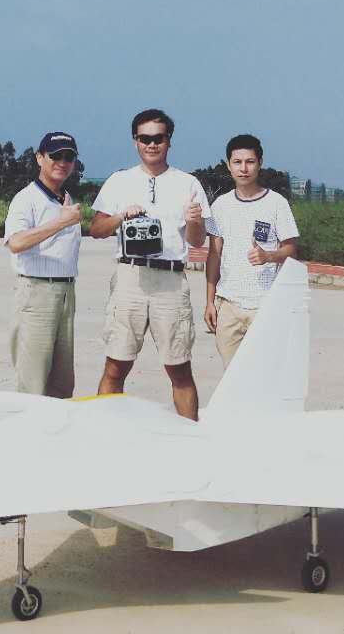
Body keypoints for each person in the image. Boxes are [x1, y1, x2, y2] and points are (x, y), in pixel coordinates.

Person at [90, 109, 209, 419]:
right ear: (135, 141)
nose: (152, 145)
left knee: (179, 367)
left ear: (169, 141)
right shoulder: (119, 181)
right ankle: (104, 428)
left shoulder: (188, 183)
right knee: (116, 364)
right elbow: (96, 229)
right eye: (145, 138)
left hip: (170, 280)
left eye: (159, 138)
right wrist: (121, 216)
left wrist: (195, 221)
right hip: (130, 276)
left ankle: (190, 437)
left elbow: (197, 241)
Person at [203, 133, 299, 368]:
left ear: (260, 163)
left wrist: (269, 256)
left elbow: (291, 250)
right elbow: (214, 255)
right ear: (228, 165)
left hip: (265, 306)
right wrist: (210, 301)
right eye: (237, 162)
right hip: (228, 305)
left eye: (250, 162)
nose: (243, 168)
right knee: (232, 376)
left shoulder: (276, 203)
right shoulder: (221, 205)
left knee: (264, 373)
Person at [4, 131, 84, 398]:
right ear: (40, 158)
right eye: (55, 156)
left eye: (69, 157)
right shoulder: (26, 199)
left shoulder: (66, 198)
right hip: (37, 294)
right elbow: (16, 242)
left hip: (66, 294)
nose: (62, 162)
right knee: (33, 382)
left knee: (62, 384)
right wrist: (60, 222)